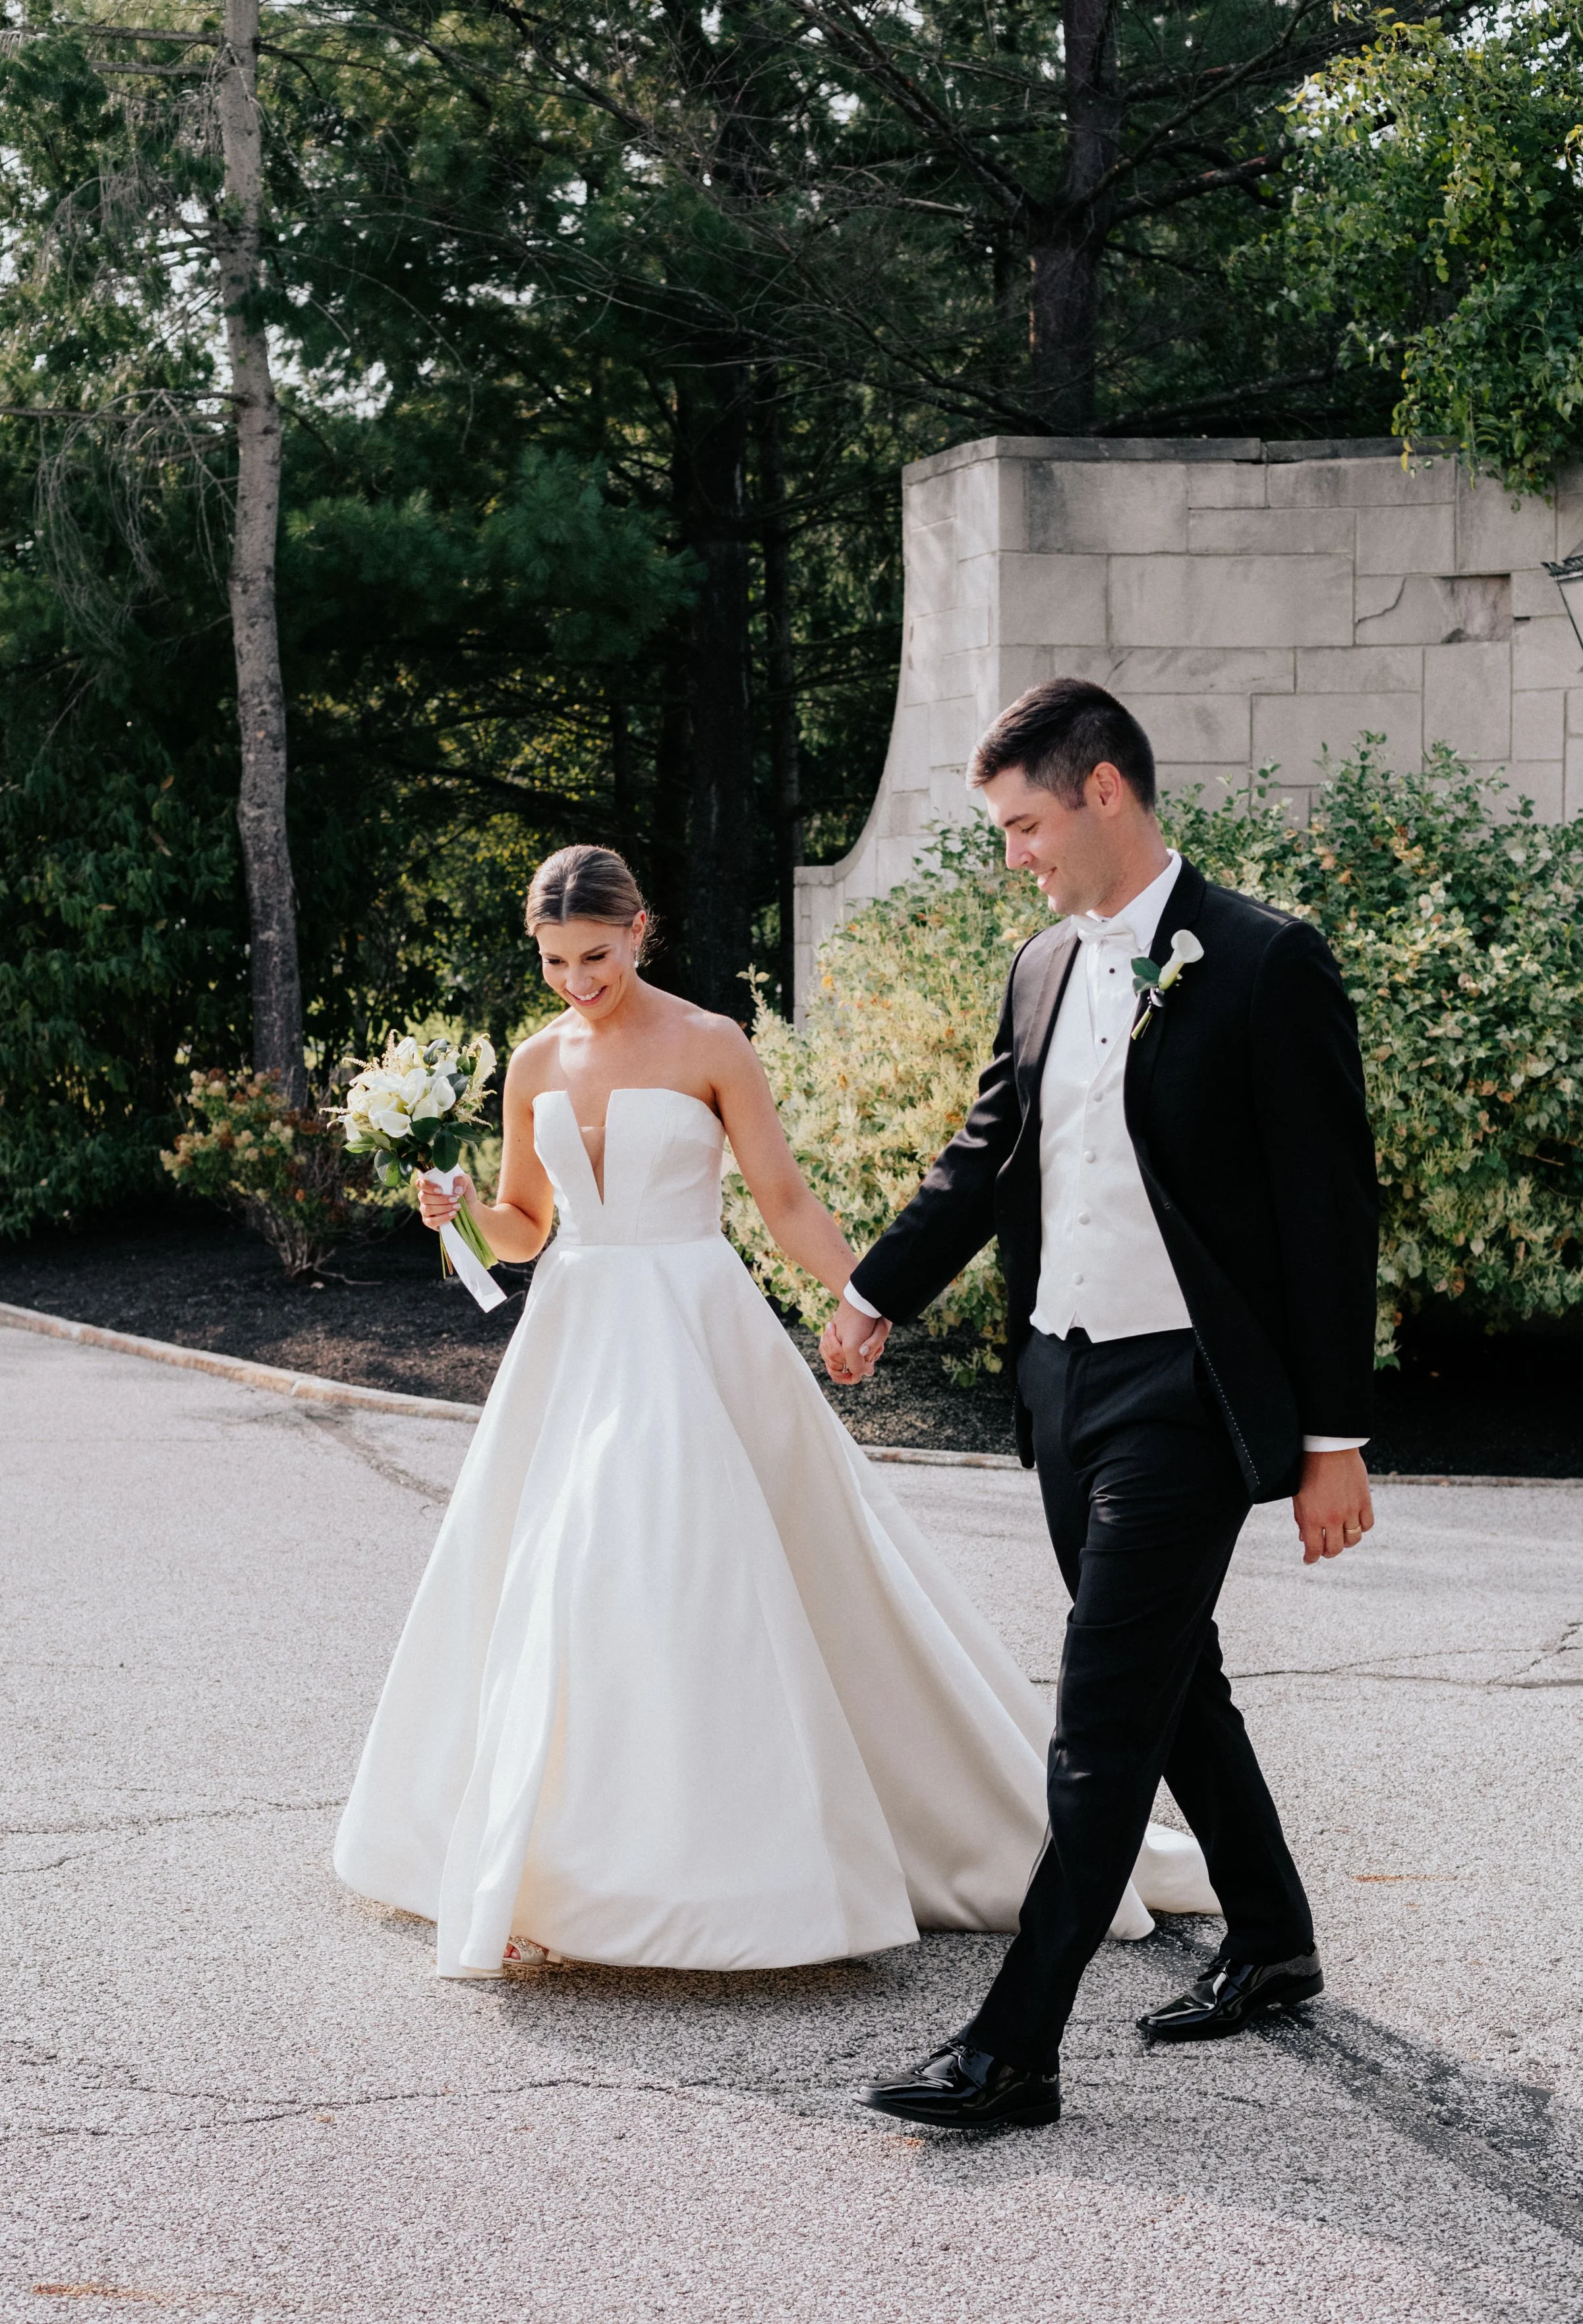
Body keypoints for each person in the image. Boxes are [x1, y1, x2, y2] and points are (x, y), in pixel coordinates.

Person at [333, 841, 1216, 1979]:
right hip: (579, 1340)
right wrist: (451, 1210)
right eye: (554, 961)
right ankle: (560, 1863)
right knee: (570, 1572)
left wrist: (863, 1298)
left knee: (705, 1567)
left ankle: (739, 1866)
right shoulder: (533, 1060)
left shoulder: (710, 1043)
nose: (575, 981)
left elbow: (782, 1196)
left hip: (697, 1333)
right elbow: (525, 1224)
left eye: (594, 955)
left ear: (641, 928)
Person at [824, 678, 1379, 2130]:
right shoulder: (1042, 965)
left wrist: (1332, 1441)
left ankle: (1014, 2046)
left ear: (1104, 794)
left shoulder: (1262, 962)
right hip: (1063, 1376)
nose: (1012, 852)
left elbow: (1328, 1217)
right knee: (1167, 1674)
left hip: (1187, 1390)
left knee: (1100, 1708)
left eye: (1022, 825)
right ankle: (1270, 1936)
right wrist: (880, 1290)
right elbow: (986, 1147)